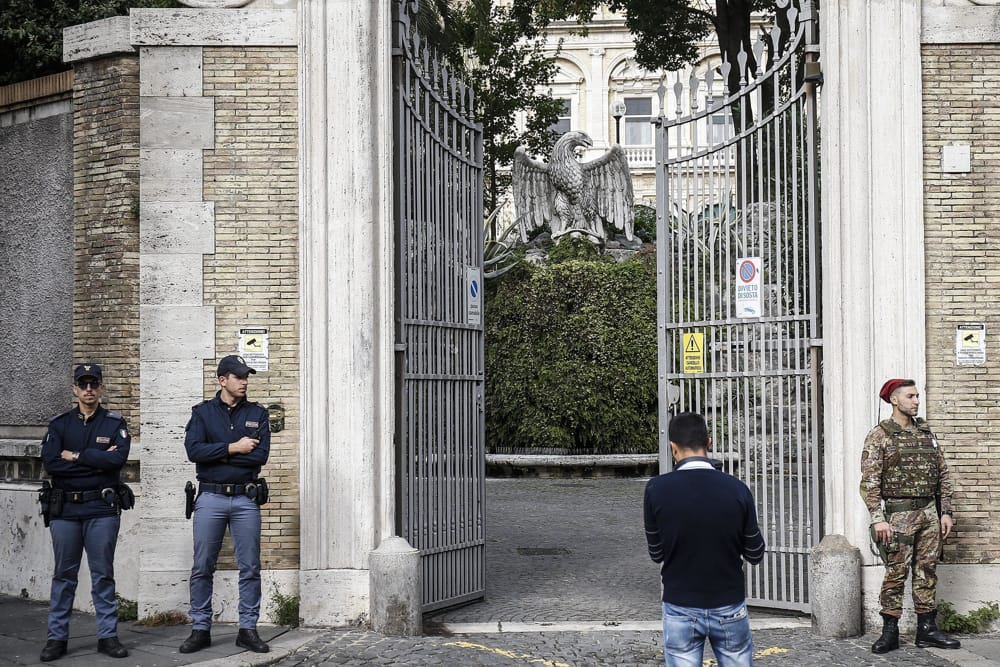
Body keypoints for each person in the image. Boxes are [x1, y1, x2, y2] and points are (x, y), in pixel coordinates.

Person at [644, 412, 765, 667]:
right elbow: (755, 553)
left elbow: (656, 554)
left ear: (673, 447)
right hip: (728, 602)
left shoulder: (656, 489)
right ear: (709, 443)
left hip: (680, 604)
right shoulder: (737, 489)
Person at [179, 355, 271, 655]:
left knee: (250, 567)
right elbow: (194, 451)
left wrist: (217, 454)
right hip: (211, 498)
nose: (244, 382)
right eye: (239, 376)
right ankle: (200, 629)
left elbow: (259, 457)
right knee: (202, 566)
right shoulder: (203, 413)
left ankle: (248, 629)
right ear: (222, 380)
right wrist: (235, 447)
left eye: (246, 377)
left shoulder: (258, 414)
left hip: (245, 499)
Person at [39, 363, 131, 662]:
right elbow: (52, 464)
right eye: (83, 384)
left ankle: (108, 637)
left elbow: (116, 461)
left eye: (94, 384)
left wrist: (76, 456)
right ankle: (56, 638)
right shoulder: (60, 424)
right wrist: (96, 461)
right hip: (65, 509)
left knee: (103, 575)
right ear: (75, 389)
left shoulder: (114, 423)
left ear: (101, 388)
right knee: (64, 576)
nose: (88, 389)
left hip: (101, 508)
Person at [861, 378, 960, 654]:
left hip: (929, 512)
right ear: (894, 400)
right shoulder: (880, 435)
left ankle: (926, 630)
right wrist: (878, 518)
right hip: (899, 514)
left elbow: (942, 474)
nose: (917, 401)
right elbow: (870, 481)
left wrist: (945, 511)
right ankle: (889, 631)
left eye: (917, 396)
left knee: (927, 570)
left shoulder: (926, 433)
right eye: (910, 396)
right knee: (896, 572)